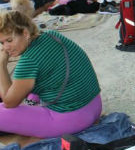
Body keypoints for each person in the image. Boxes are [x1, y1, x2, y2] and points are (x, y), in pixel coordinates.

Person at [0, 9, 102, 138]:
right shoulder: (51, 35)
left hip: (71, 118)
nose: (5, 48)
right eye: (2, 42)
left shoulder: (29, 61)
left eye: (9, 40)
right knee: (27, 86)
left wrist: (1, 65)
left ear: (25, 33)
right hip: (94, 105)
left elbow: (9, 103)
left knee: (4, 107)